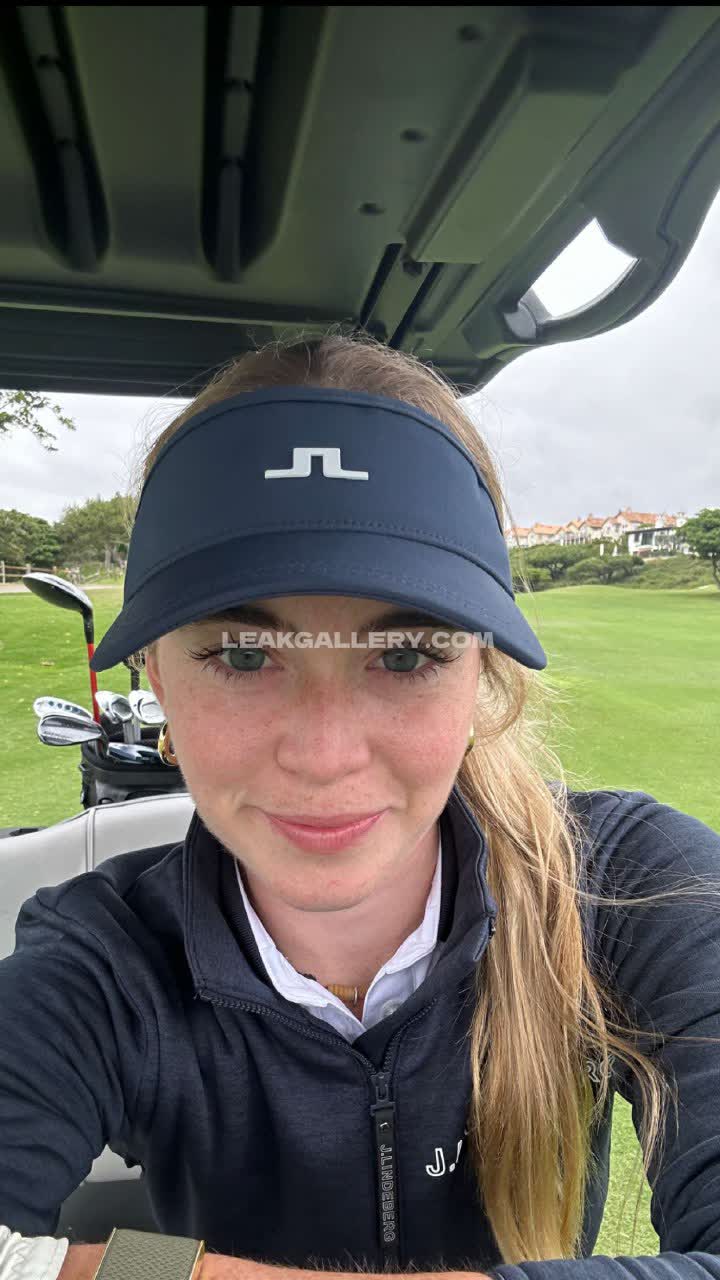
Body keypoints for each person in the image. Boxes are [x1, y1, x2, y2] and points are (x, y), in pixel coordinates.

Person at [1, 331, 720, 1280]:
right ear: (158, 678)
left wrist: (144, 1271)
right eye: (244, 655)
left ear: (480, 676)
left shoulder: (629, 885)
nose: (326, 756)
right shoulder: (104, 957)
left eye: (406, 655)